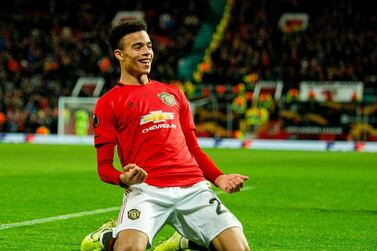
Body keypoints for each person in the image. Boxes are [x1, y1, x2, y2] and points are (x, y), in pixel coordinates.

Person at [80, 19, 250, 251]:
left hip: (194, 189)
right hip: (147, 190)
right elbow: (104, 168)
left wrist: (218, 178)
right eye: (137, 47)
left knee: (239, 249)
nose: (147, 52)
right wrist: (123, 178)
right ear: (119, 54)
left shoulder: (173, 94)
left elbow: (194, 149)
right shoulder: (108, 103)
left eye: (149, 46)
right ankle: (107, 237)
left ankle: (185, 241)